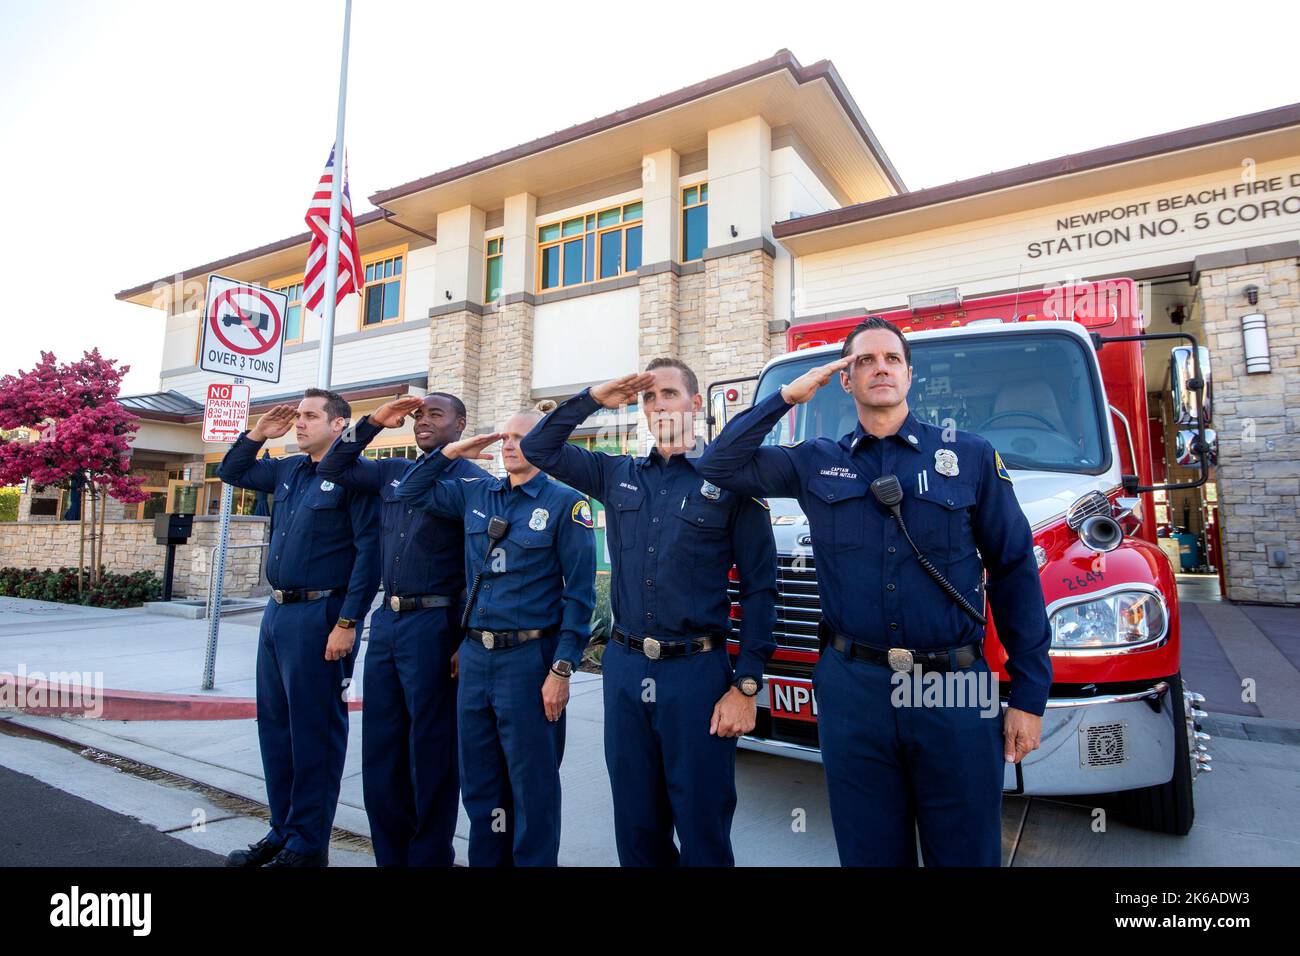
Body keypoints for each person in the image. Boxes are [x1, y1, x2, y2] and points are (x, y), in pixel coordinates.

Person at [697, 317, 1052, 867]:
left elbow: (1014, 571)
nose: (879, 367)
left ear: (910, 375)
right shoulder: (817, 460)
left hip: (953, 685)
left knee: (965, 852)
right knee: (868, 852)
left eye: (891, 359)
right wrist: (789, 395)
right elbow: (719, 463)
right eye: (863, 360)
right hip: (855, 687)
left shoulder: (971, 456)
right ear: (845, 379)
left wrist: (1029, 695)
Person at [521, 358, 777, 867]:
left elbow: (760, 592)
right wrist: (596, 396)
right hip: (626, 668)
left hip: (697, 675)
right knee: (637, 826)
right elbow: (538, 448)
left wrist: (746, 685)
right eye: (648, 398)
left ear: (696, 403)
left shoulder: (731, 482)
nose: (658, 405)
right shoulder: (617, 474)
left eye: (668, 394)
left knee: (702, 826)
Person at [395, 410, 595, 867]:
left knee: (532, 787)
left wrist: (562, 669)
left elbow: (580, 598)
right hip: (475, 659)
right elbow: (409, 491)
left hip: (530, 660)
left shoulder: (566, 504)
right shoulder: (477, 493)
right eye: (504, 437)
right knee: (481, 786)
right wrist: (450, 454)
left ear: (544, 446)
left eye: (519, 438)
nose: (508, 445)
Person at [316, 391, 486, 867]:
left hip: (436, 623)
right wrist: (374, 421)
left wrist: (463, 637)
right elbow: (333, 466)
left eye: (436, 414)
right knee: (382, 750)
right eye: (419, 415)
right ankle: (391, 856)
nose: (424, 421)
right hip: (387, 623)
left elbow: (479, 567)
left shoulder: (474, 480)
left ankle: (430, 857)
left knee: (430, 750)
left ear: (461, 422)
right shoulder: (394, 472)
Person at [218, 388, 380, 868]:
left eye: (311, 416)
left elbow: (368, 557)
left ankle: (309, 845)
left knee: (314, 732)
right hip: (278, 614)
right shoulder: (288, 469)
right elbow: (232, 472)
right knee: (276, 728)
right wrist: (256, 433)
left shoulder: (355, 477)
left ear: (339, 424)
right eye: (299, 416)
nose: (300, 423)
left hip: (322, 617)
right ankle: (283, 830)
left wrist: (349, 622)